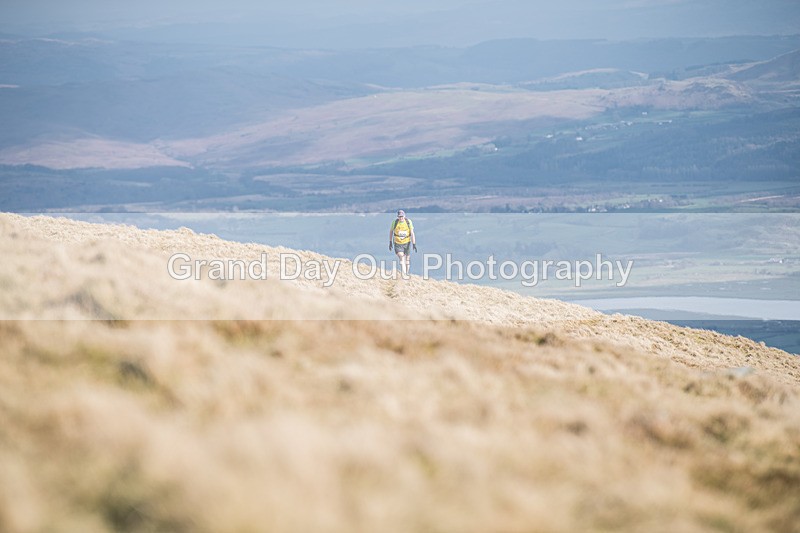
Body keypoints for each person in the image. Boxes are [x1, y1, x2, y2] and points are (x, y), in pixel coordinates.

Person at [389, 209, 416, 275]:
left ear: (404, 216)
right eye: (399, 216)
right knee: (402, 257)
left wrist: (414, 243)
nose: (401, 218)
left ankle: (406, 273)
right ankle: (403, 273)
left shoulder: (408, 222)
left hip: (407, 243)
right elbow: (391, 232)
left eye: (402, 216)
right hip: (397, 243)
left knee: (407, 259)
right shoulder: (395, 222)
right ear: (397, 216)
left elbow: (412, 233)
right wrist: (390, 242)